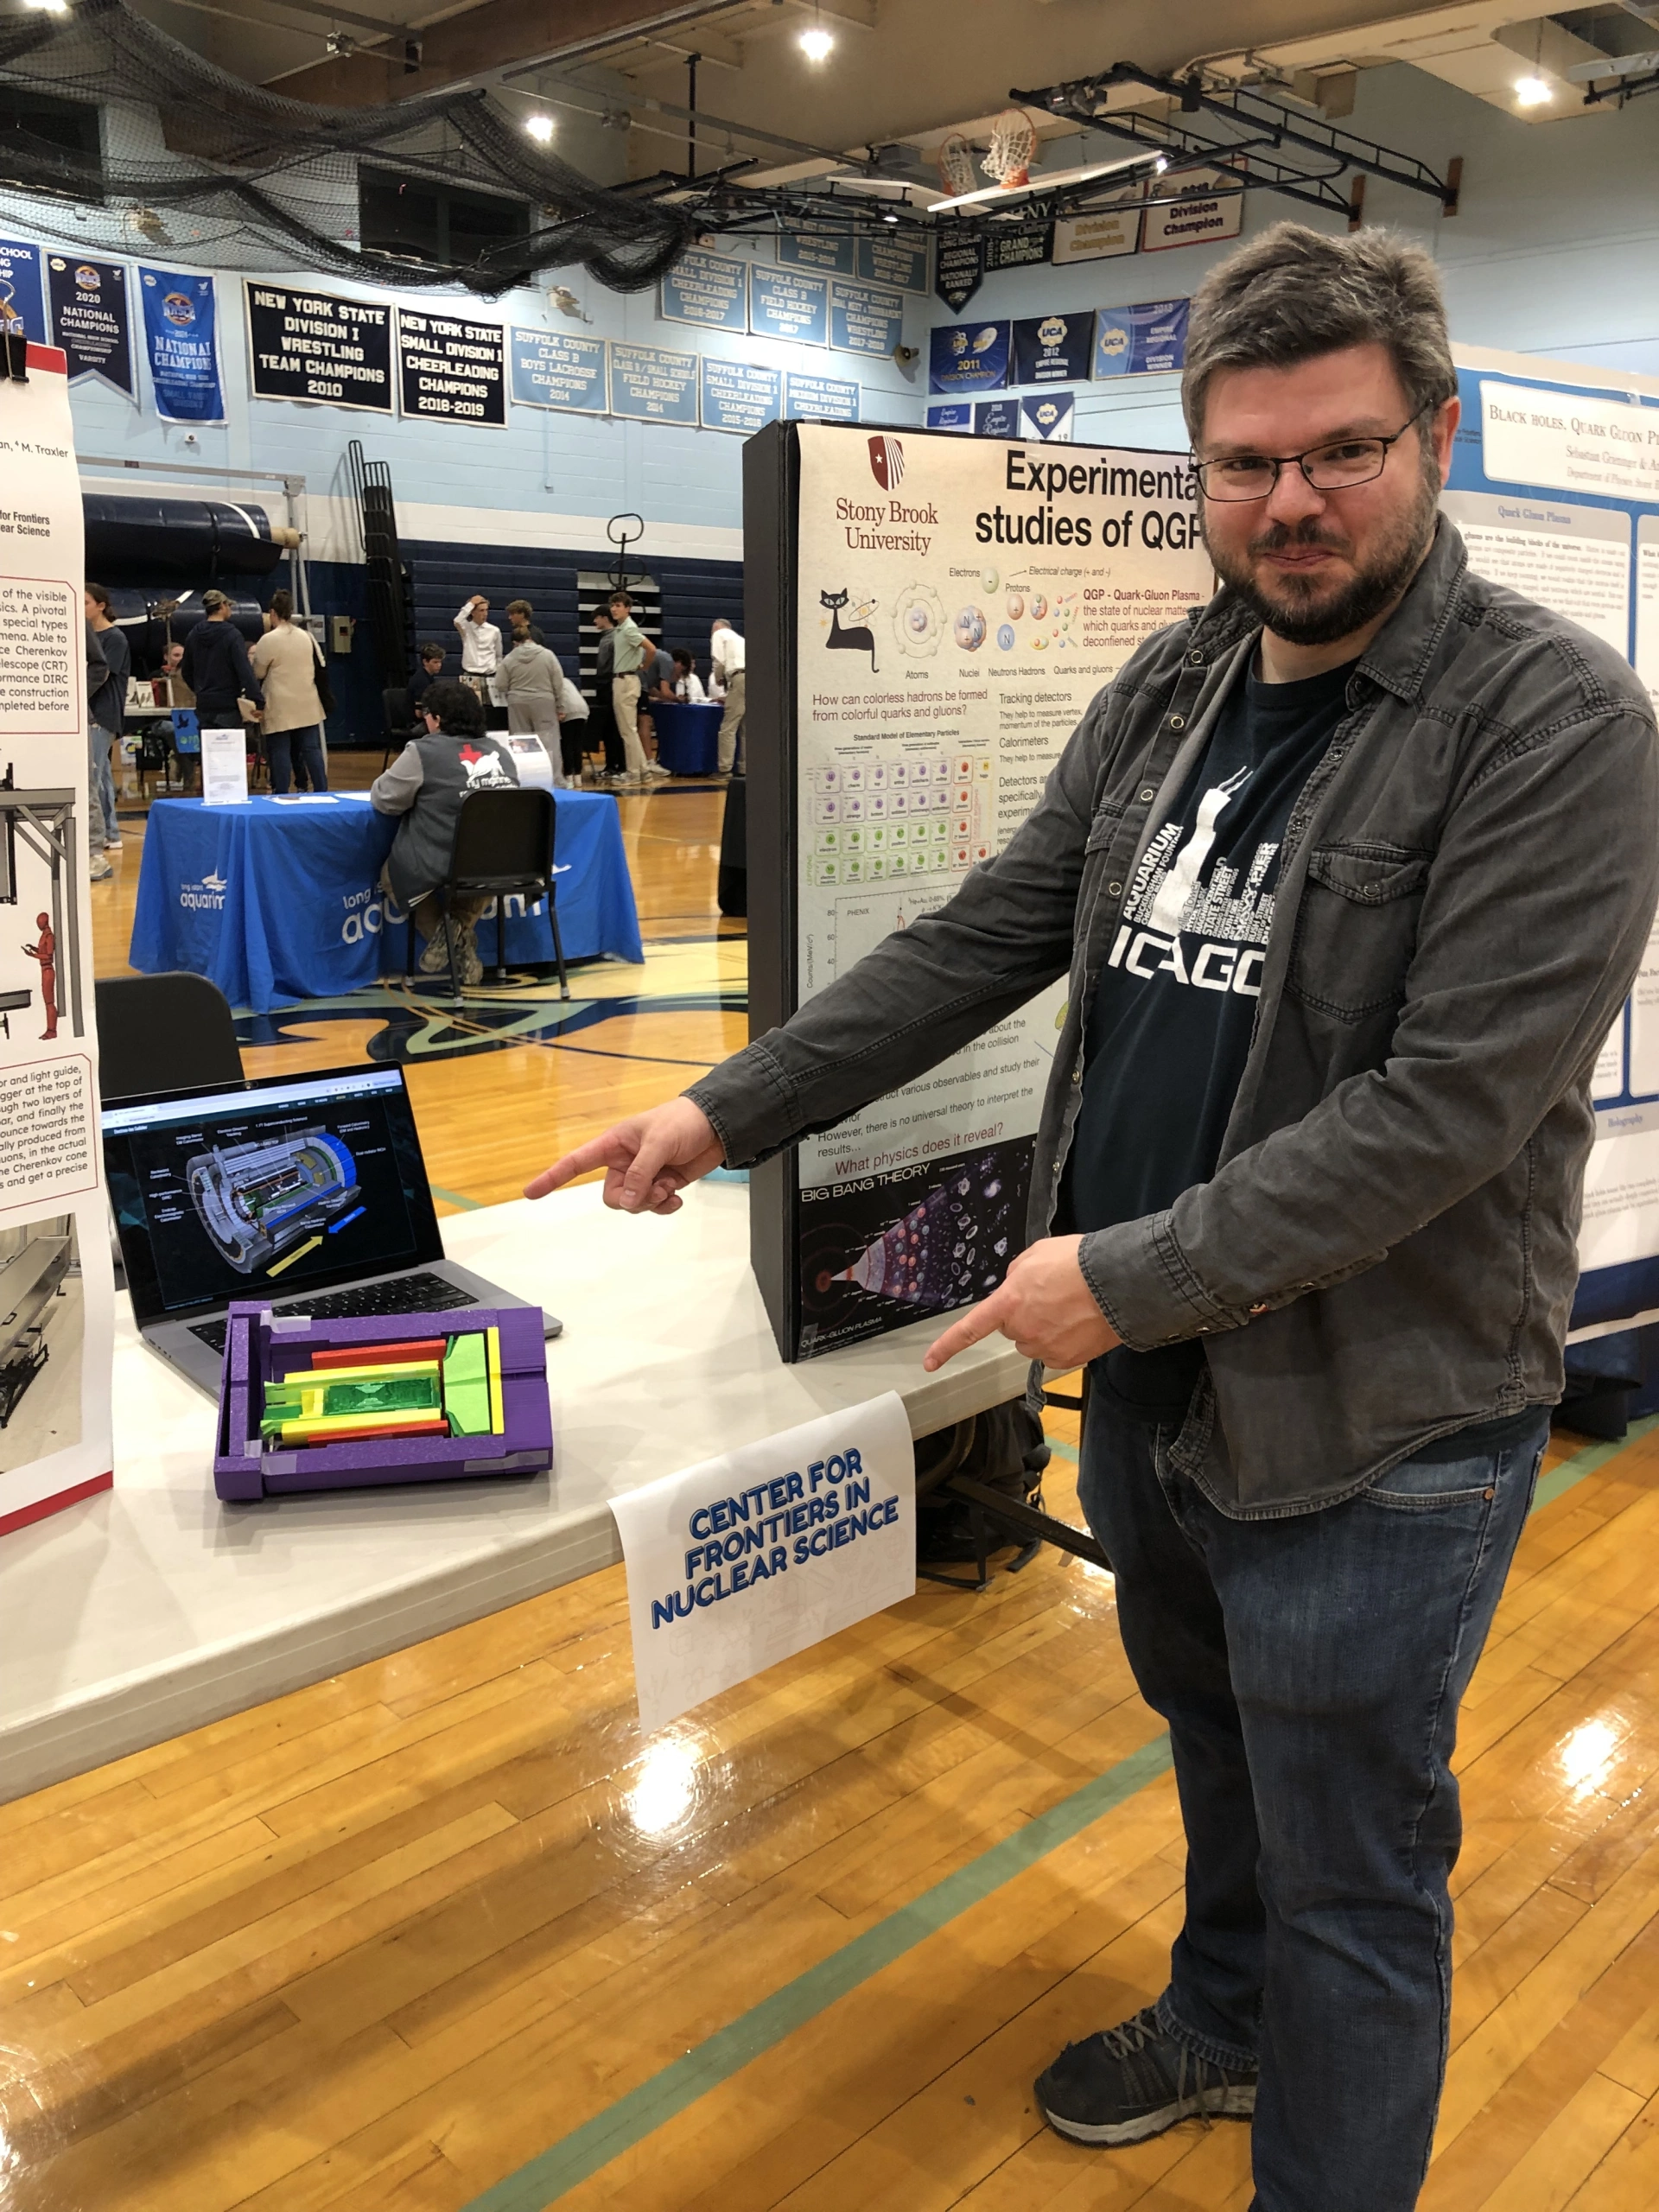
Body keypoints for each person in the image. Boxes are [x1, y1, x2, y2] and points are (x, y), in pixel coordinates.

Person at [520, 223, 1659, 2212]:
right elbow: (996, 920)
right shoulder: (1179, 678)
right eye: (1243, 462)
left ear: (1436, 436)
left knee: (1358, 1869)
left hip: (1375, 1417)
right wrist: (728, 1103)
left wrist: (1114, 1273)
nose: (1288, 501)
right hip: (1151, 1381)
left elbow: (1441, 1112)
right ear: (1199, 473)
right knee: (1219, 1755)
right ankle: (1222, 2020)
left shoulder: (1556, 727)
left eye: (1341, 451)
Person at [370, 679, 518, 988]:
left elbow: (385, 800)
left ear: (437, 718)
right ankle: (459, 933)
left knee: (391, 876)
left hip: (442, 859)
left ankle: (451, 943)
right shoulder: (499, 751)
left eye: (427, 715)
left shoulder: (423, 751)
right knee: (483, 869)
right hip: (504, 861)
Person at [248, 589, 328, 795]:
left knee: (280, 749)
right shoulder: (307, 636)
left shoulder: (268, 640)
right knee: (311, 749)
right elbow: (321, 665)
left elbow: (258, 672)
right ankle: (322, 790)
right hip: (308, 701)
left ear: (273, 612)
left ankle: (281, 792)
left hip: (279, 702)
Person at [181, 591, 264, 734]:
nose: (230, 609)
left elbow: (186, 671)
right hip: (227, 706)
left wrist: (201, 691)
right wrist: (257, 701)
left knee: (208, 753)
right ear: (222, 606)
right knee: (228, 753)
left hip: (204, 706)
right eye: (228, 605)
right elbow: (244, 671)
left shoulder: (193, 635)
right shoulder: (232, 635)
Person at [85, 584, 128, 854]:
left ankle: (101, 835)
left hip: (102, 714)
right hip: (90, 714)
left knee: (94, 775)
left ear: (101, 606)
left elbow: (101, 675)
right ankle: (111, 831)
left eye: (86, 602)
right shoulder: (85, 635)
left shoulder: (115, 639)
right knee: (102, 777)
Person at [607, 591, 665, 783]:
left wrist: (644, 666)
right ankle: (643, 770)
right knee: (628, 729)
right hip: (623, 680)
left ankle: (633, 772)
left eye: (618, 605)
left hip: (626, 681)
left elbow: (651, 649)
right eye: (612, 605)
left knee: (627, 730)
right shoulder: (621, 629)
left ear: (628, 608)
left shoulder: (629, 629)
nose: (614, 609)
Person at [496, 630, 566, 762]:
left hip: (518, 702)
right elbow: (558, 683)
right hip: (544, 701)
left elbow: (500, 685)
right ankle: (553, 778)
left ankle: (526, 778)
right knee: (549, 742)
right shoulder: (548, 655)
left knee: (520, 742)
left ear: (514, 643)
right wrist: (560, 706)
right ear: (530, 638)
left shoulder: (509, 658)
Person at [83, 620, 113, 880]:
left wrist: (75, 694)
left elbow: (99, 665)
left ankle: (95, 854)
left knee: (86, 782)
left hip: (74, 714)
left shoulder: (74, 618)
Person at [591, 608, 626, 783]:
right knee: (608, 728)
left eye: (596, 618)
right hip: (605, 684)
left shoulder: (613, 638)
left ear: (605, 618)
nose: (594, 622)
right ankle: (613, 765)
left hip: (609, 684)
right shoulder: (606, 637)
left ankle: (617, 766)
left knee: (613, 728)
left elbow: (608, 664)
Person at [709, 617, 745, 774]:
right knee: (747, 727)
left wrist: (718, 677)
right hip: (753, 678)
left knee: (728, 727)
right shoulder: (740, 639)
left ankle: (724, 769)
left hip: (738, 677)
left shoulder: (719, 634)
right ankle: (745, 768)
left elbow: (719, 660)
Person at [453, 594, 503, 702]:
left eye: (486, 610)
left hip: (490, 676)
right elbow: (457, 620)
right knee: (470, 709)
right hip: (471, 675)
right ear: (472, 612)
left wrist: (498, 673)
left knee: (492, 709)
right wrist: (471, 604)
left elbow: (498, 655)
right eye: (481, 610)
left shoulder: (494, 630)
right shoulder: (466, 628)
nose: (485, 614)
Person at [22, 913, 56, 1040]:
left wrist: (33, 956)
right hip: (44, 970)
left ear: (44, 922)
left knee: (49, 1002)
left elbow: (48, 955)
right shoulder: (44, 935)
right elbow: (43, 951)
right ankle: (50, 1028)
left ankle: (52, 1030)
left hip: (47, 970)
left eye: (39, 922)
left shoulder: (49, 936)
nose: (38, 924)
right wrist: (33, 949)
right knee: (47, 1001)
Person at [556, 669, 590, 782]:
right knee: (577, 745)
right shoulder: (568, 681)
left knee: (567, 745)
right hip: (583, 711)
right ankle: (578, 776)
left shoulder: (552, 683)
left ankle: (569, 776)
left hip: (567, 711)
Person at [408, 642, 446, 711]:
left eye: (440, 662)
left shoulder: (429, 677)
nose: (439, 665)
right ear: (425, 662)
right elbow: (419, 712)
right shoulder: (421, 680)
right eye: (435, 662)